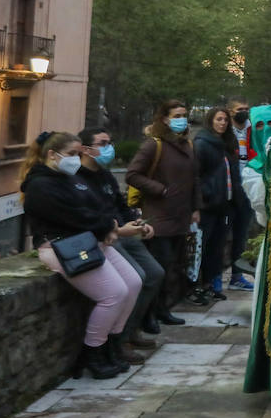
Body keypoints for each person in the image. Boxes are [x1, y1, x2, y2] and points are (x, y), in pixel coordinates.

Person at [21, 131, 143, 379]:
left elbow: (95, 206)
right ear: (52, 155)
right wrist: (107, 227)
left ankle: (112, 345)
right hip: (62, 247)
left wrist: (107, 225)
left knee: (133, 282)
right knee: (113, 293)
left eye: (79, 154)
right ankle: (92, 353)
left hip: (87, 240)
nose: (77, 159)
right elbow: (73, 216)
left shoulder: (67, 178)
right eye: (72, 154)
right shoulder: (40, 185)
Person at [78, 127, 165, 347]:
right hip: (105, 237)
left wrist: (138, 223)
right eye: (103, 143)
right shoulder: (77, 179)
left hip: (124, 233)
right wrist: (117, 229)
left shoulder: (105, 174)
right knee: (136, 277)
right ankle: (118, 340)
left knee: (155, 273)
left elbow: (120, 205)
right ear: (86, 149)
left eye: (110, 142)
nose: (109, 148)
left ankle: (131, 328)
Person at [127, 100, 201, 325]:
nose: (182, 119)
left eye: (184, 115)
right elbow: (133, 174)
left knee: (172, 266)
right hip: (158, 217)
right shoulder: (153, 145)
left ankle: (162, 310)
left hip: (181, 215)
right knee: (159, 266)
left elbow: (193, 178)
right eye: (177, 115)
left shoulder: (187, 144)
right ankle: (148, 315)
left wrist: (195, 207)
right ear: (165, 119)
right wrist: (161, 189)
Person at [192, 106, 254, 304]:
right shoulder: (202, 144)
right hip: (209, 205)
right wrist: (201, 200)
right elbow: (195, 176)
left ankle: (212, 284)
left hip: (226, 204)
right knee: (202, 247)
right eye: (219, 119)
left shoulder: (226, 144)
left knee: (217, 248)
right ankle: (197, 287)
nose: (222, 123)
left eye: (225, 120)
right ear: (211, 120)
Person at [225, 97, 257, 289]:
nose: (243, 112)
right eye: (239, 109)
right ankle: (213, 278)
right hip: (229, 187)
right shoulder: (225, 130)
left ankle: (237, 276)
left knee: (242, 233)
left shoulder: (252, 128)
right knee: (223, 235)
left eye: (246, 108)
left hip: (248, 184)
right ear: (230, 112)